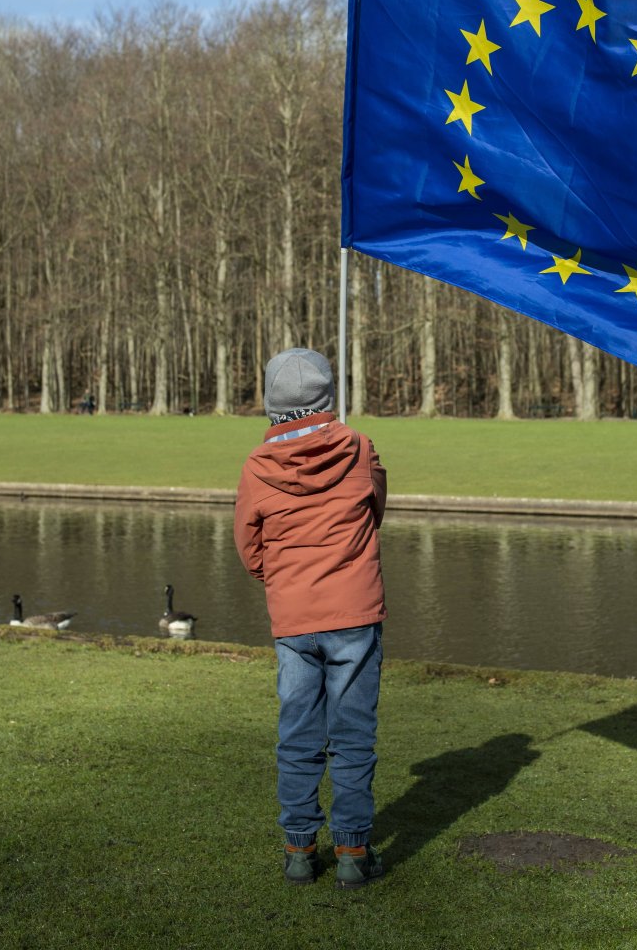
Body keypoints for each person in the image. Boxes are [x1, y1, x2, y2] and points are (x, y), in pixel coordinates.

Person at [234, 348, 388, 889]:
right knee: (352, 738)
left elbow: (249, 548)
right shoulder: (361, 447)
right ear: (326, 396)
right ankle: (352, 852)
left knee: (298, 735)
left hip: (294, 614)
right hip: (353, 610)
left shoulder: (257, 465)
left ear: (272, 400)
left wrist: (284, 579)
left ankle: (300, 852)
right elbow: (376, 510)